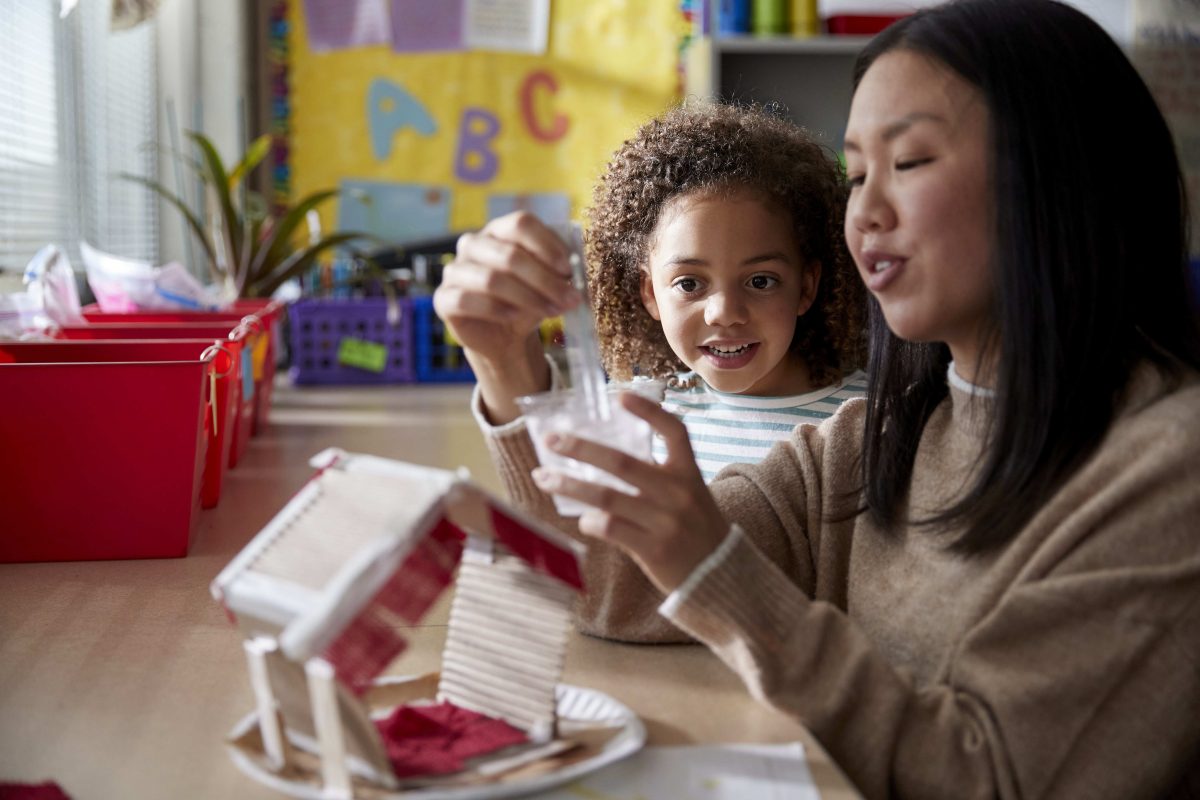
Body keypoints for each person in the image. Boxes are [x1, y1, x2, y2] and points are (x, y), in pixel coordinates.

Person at [462, 1, 1200, 797]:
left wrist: (715, 566)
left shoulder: (1168, 472)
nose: (867, 214)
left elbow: (991, 777)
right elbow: (615, 594)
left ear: (1059, 176)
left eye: (910, 162)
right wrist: (506, 366)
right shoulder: (873, 442)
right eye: (855, 176)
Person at [434, 102, 867, 482]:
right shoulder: (633, 419)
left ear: (805, 287)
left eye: (760, 281)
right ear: (650, 294)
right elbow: (549, 499)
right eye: (689, 283)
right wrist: (497, 357)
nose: (725, 312)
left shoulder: (870, 421)